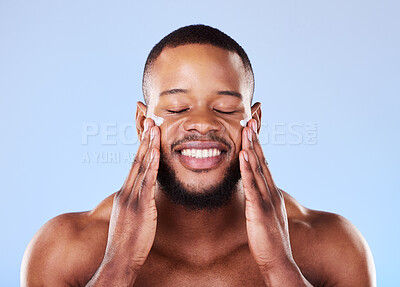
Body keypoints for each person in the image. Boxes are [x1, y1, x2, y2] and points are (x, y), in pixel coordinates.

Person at [21, 24, 376, 287]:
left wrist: (280, 267)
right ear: (143, 122)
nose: (203, 124)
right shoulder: (62, 250)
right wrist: (119, 265)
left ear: (254, 122)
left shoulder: (334, 247)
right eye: (177, 108)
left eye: (224, 107)